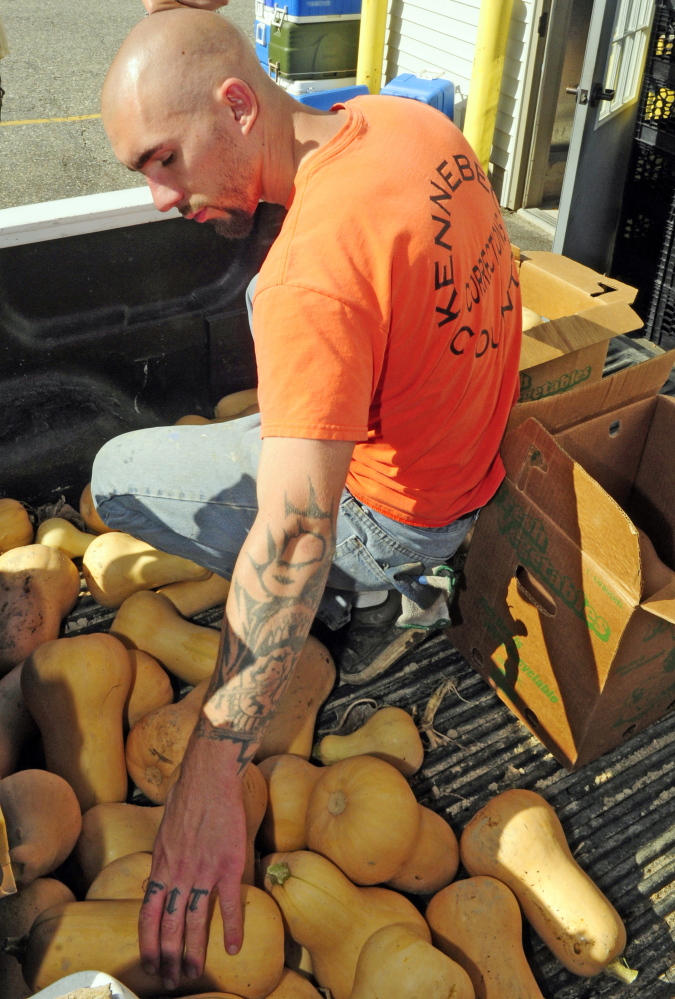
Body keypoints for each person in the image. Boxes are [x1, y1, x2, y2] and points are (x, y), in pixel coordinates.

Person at [92, 6, 521, 991]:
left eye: (163, 160)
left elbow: (291, 536)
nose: (160, 197)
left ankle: (367, 600)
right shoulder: (414, 127)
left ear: (238, 105)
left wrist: (209, 772)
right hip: (456, 466)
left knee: (117, 477)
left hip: (387, 518)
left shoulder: (307, 284)